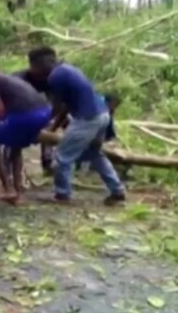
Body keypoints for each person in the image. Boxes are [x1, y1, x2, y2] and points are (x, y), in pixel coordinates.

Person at [27, 46, 126, 204]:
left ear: (41, 64)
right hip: (103, 115)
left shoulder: (55, 77)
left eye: (33, 66)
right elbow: (66, 107)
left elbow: (57, 107)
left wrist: (40, 124)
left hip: (87, 119)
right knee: (94, 154)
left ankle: (62, 194)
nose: (33, 71)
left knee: (62, 157)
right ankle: (117, 190)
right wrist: (52, 128)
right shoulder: (69, 69)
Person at [0, 53, 51, 204]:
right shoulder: (8, 78)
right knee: (15, 147)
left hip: (25, 115)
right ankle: (17, 189)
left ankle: (8, 187)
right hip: (44, 112)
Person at [75, 93, 127, 205]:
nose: (115, 108)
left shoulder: (101, 106)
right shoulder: (99, 105)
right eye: (115, 105)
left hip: (85, 133)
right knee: (95, 158)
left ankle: (62, 193)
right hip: (85, 130)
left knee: (66, 157)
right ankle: (117, 189)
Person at [12, 58, 54, 176]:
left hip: (43, 110)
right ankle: (13, 172)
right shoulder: (19, 78)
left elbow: (54, 100)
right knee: (15, 144)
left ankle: (47, 161)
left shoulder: (50, 78)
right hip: (22, 111)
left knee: (48, 133)